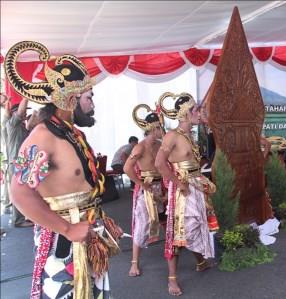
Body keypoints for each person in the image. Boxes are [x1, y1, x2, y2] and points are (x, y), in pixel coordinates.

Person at [4, 40, 121, 298]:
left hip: (87, 232)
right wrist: (67, 229)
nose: (92, 104)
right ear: (70, 99)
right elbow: (19, 193)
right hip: (63, 241)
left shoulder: (72, 133)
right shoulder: (43, 135)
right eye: (89, 97)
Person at [155, 92, 216, 296]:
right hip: (182, 190)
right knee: (178, 232)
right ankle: (172, 280)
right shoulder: (172, 136)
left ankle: (200, 262)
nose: (199, 113)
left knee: (197, 225)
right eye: (197, 110)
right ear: (186, 113)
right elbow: (159, 163)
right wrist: (178, 183)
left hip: (195, 186)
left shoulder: (190, 135)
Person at [123, 104, 166, 277]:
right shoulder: (139, 147)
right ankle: (134, 263)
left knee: (166, 219)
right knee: (141, 225)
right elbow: (127, 168)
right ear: (153, 128)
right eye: (159, 127)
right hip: (146, 189)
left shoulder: (160, 145)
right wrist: (141, 184)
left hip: (161, 187)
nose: (161, 130)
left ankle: (174, 250)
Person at [3, 96, 34, 227]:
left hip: (21, 162)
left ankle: (22, 217)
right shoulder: (12, 125)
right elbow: (20, 113)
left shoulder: (20, 127)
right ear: (15, 113)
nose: (25, 113)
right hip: (16, 163)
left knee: (24, 191)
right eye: (24, 110)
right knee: (19, 192)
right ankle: (18, 220)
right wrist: (26, 96)